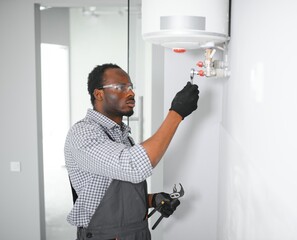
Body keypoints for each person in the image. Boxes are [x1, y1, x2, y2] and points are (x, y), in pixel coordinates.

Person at [64, 63, 199, 240]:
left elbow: (115, 192)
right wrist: (176, 113)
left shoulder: (122, 135)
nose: (131, 93)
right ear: (99, 94)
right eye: (121, 87)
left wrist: (152, 200)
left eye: (130, 87)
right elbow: (134, 166)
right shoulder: (83, 133)